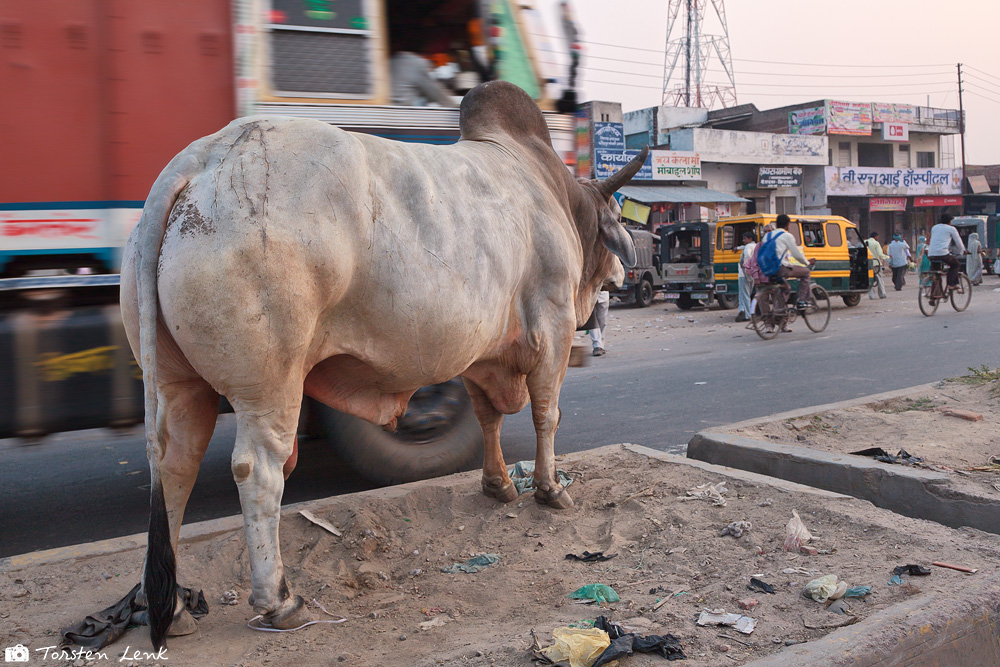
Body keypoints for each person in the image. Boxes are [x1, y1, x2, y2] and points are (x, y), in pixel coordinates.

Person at [766, 214, 816, 310]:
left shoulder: (767, 236)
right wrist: (807, 262)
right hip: (780, 268)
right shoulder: (787, 236)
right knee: (806, 272)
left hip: (767, 269)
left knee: (783, 288)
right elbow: (797, 254)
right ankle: (802, 301)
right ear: (788, 224)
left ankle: (778, 313)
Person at [390, 51, 459, 107]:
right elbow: (435, 93)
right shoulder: (415, 63)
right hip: (400, 114)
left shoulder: (393, 59)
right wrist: (455, 108)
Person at [927, 213, 966, 290]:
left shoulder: (934, 227)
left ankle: (933, 296)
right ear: (949, 221)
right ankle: (951, 284)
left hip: (931, 254)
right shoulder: (951, 229)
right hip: (942, 254)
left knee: (936, 272)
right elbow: (958, 242)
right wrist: (962, 251)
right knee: (956, 265)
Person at [736, 230, 757, 322]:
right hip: (753, 273)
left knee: (744, 294)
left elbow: (747, 255)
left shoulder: (748, 247)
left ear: (750, 239)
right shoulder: (755, 246)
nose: (743, 240)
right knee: (748, 294)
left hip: (744, 274)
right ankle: (743, 311)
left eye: (745, 239)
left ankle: (747, 314)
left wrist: (745, 265)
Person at [865, 231, 888, 299]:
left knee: (870, 280)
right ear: (875, 236)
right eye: (878, 236)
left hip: (868, 264)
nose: (878, 237)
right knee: (879, 279)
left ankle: (871, 295)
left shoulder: (865, 242)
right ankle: (882, 294)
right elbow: (880, 254)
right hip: (876, 264)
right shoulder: (876, 243)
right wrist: (887, 257)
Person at [588, 290, 609, 356]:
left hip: (603, 295)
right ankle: (597, 346)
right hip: (588, 295)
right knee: (592, 321)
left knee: (602, 321)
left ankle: (601, 345)